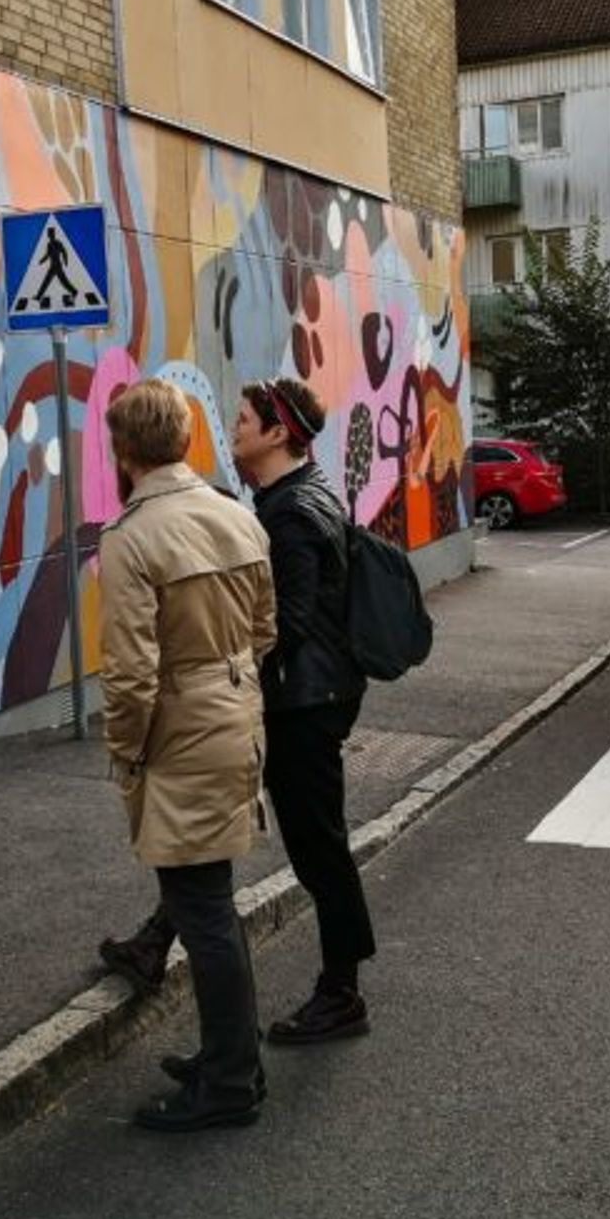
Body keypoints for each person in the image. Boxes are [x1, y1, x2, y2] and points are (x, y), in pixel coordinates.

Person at [98, 379, 277, 1132]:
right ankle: (229, 1060)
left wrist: (126, 749)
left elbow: (131, 673)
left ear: (123, 449)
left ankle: (231, 1082)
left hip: (179, 728)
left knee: (203, 911)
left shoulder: (133, 538)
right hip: (236, 712)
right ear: (182, 439)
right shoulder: (235, 515)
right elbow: (265, 627)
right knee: (210, 901)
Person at [231, 375, 376, 1045]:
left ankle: (341, 992)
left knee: (319, 849)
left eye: (243, 420)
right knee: (216, 813)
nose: (233, 430)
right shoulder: (302, 492)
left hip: (304, 701)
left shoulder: (287, 513)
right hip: (314, 692)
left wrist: (225, 657)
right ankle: (154, 940)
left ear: (277, 432)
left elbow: (285, 623)